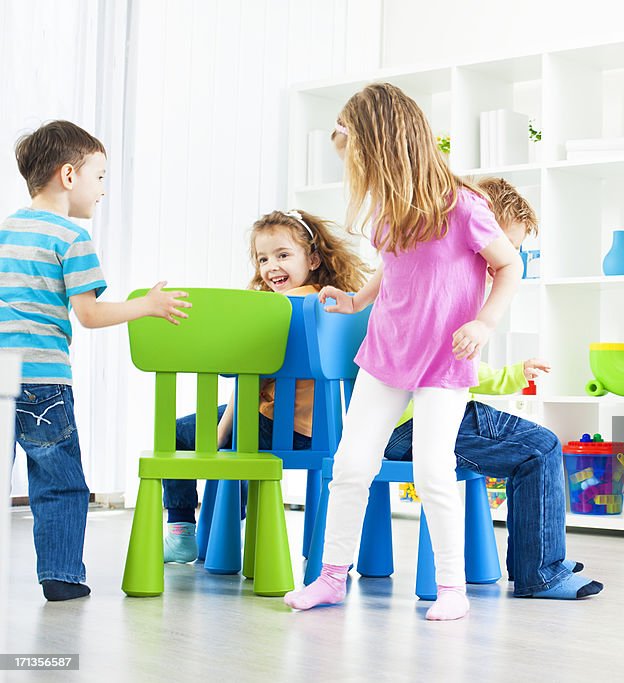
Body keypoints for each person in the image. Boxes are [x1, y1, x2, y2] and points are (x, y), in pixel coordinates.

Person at [283, 83, 521, 621]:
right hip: (386, 352)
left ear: (385, 147)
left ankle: (453, 588)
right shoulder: (393, 211)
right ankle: (330, 578)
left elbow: (508, 267)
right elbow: (394, 269)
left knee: (432, 469)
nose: (357, 173)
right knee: (350, 465)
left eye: (358, 157)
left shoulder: (465, 206)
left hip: (443, 360)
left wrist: (484, 323)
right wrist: (355, 299)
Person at [382, 176, 602, 600]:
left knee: (537, 445)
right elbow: (445, 364)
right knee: (541, 448)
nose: (510, 258)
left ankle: (538, 557)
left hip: (410, 418)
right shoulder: (453, 283)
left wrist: (513, 374)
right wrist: (510, 374)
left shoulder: (438, 275)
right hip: (418, 425)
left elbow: (457, 364)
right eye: (508, 245)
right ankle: (540, 570)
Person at [2, 120, 188, 600]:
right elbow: (88, 314)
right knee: (58, 482)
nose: (103, 190)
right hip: (42, 379)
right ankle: (61, 577)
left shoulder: (6, 231)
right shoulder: (70, 237)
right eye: (100, 176)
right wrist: (146, 305)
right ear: (69, 175)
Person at [161, 209, 369, 562]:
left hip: (271, 426)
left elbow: (246, 378)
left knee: (176, 433)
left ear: (313, 258)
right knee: (235, 428)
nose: (271, 266)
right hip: (320, 433)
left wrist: (223, 432)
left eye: (283, 255)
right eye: (263, 258)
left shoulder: (274, 310)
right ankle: (230, 508)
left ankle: (182, 529)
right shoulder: (333, 304)